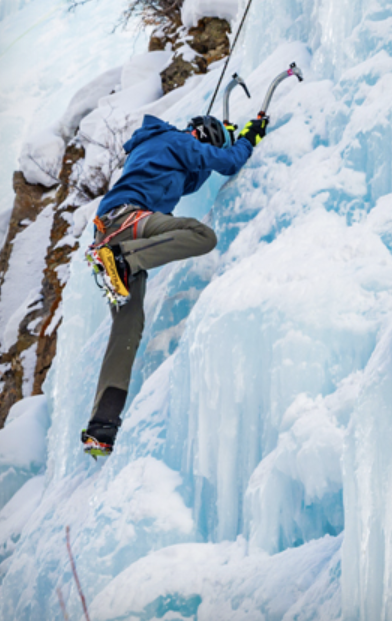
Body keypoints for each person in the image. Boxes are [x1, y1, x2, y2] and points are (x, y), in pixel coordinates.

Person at [80, 111, 265, 457]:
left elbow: (191, 179)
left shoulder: (155, 148)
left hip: (108, 234)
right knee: (201, 235)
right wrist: (246, 138)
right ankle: (124, 262)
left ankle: (101, 426)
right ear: (197, 134)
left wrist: (216, 144)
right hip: (128, 223)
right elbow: (226, 162)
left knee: (128, 328)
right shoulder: (179, 139)